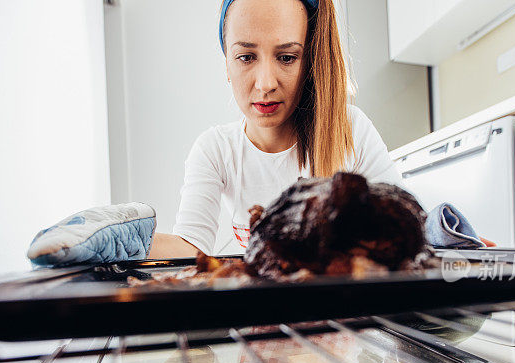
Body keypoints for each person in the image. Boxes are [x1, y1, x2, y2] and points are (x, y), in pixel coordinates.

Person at [147, 0, 398, 259]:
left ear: (310, 61)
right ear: (227, 66)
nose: (266, 84)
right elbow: (190, 248)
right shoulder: (216, 149)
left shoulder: (350, 130)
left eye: (287, 58)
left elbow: (404, 226)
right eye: (246, 57)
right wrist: (130, 242)